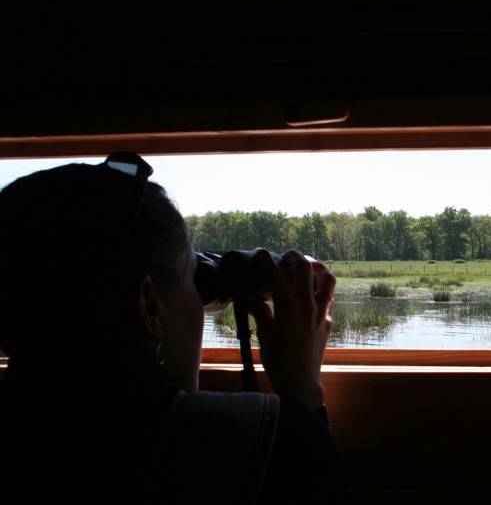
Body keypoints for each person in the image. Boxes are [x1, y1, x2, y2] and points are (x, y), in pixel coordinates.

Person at [0, 152, 346, 503]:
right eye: (192, 279)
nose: (200, 300)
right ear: (149, 305)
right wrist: (303, 392)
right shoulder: (260, 441)